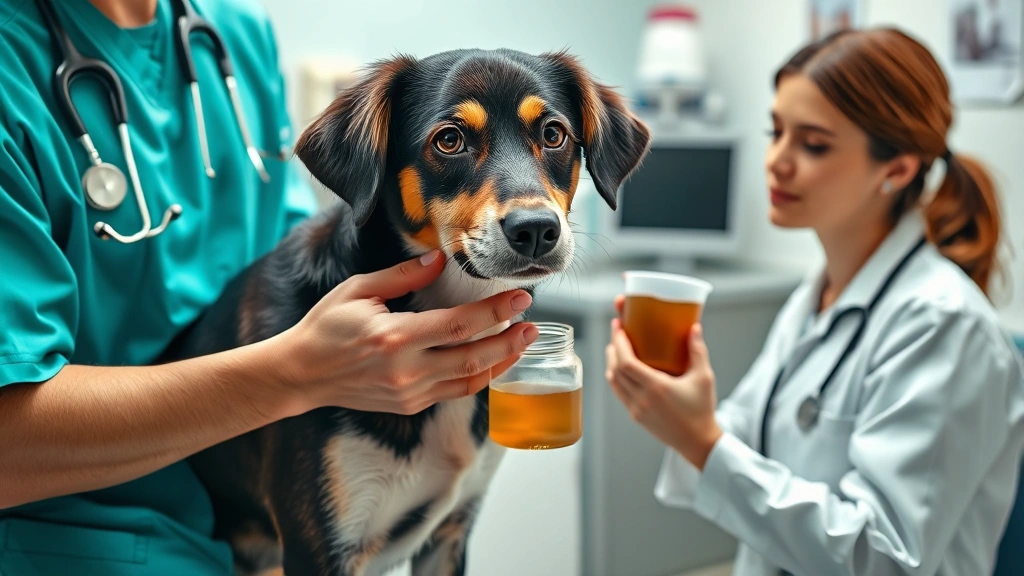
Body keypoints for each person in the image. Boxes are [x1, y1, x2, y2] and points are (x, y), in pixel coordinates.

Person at [0, 1, 536, 574]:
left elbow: (284, 266)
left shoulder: (236, 35)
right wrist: (292, 377)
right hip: (77, 547)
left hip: (259, 535)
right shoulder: (15, 67)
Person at [605, 27, 1024, 576]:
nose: (777, 160)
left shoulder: (944, 325)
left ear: (897, 169)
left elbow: (885, 558)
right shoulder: (818, 297)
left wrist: (700, 439)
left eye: (814, 144)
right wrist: (677, 405)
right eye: (775, 132)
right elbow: (745, 436)